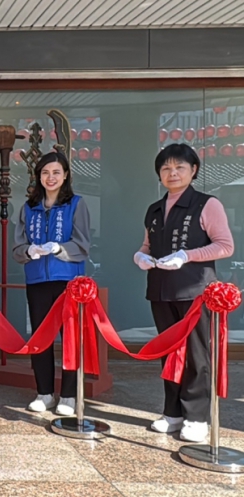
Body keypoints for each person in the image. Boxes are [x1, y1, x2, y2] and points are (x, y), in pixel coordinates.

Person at [134, 144, 233, 442]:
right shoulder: (154, 209)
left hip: (195, 291)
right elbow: (146, 246)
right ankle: (172, 413)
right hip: (161, 290)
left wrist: (187, 255)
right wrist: (140, 256)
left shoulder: (207, 204)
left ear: (194, 170)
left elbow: (225, 245)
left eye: (179, 167)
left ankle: (197, 417)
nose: (172, 173)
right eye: (166, 168)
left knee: (196, 355)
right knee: (168, 354)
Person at [13, 151, 91, 416]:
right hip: (37, 280)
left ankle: (68, 396)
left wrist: (59, 248)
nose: (51, 177)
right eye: (45, 172)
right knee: (40, 339)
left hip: (68, 282)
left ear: (66, 175)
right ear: (38, 176)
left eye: (56, 172)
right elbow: (17, 248)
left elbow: (83, 246)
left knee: (70, 339)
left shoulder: (76, 204)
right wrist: (28, 252)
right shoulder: (28, 208)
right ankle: (44, 393)